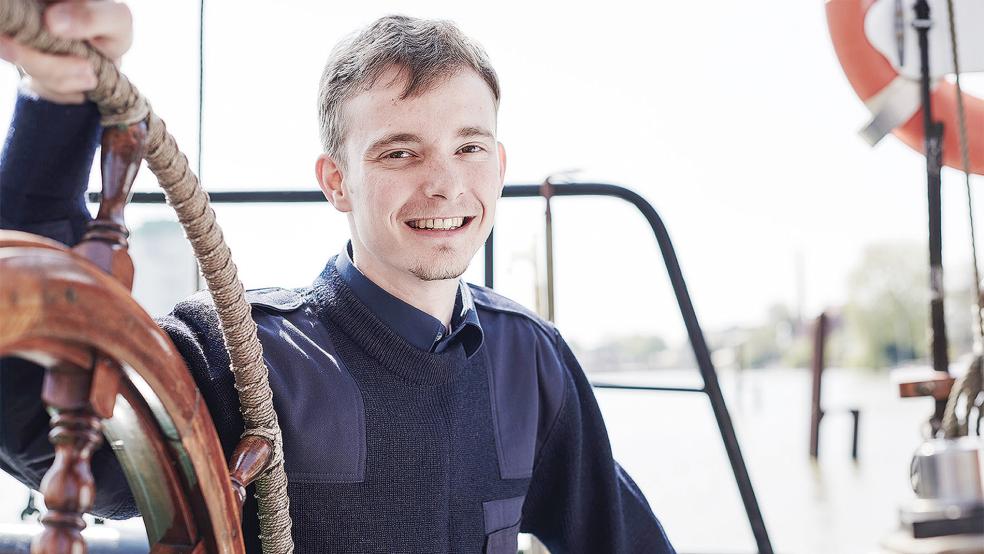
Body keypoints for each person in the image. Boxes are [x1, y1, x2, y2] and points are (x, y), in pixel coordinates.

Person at [0, 3, 676, 552]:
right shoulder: (243, 354)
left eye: (468, 147)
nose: (445, 184)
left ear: (498, 165)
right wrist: (58, 103)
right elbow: (34, 423)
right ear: (336, 182)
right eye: (399, 152)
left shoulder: (532, 360)